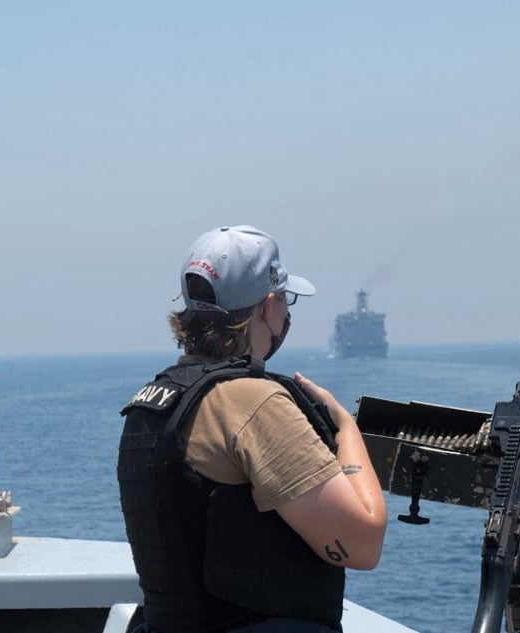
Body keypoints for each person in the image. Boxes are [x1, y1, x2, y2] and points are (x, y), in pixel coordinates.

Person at [118, 225, 387, 633]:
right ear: (268, 306)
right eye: (285, 301)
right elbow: (362, 545)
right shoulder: (253, 403)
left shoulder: (154, 401)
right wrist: (346, 429)